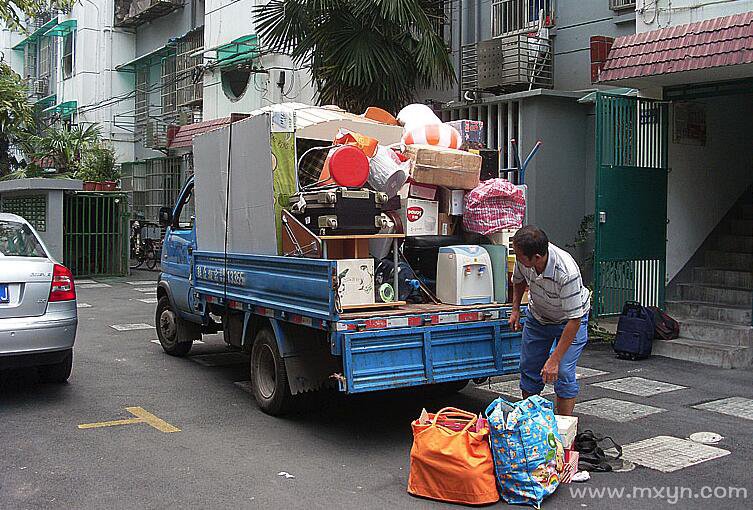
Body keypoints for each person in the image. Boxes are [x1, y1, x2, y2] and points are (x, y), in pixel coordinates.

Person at [508, 226, 590, 416]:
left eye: (520, 256)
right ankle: (531, 423)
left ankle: (564, 429)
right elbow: (518, 281)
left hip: (568, 321)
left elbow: (574, 320)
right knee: (529, 368)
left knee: (562, 372)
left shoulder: (566, 272)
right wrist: (515, 310)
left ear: (537, 257)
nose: (517, 259)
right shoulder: (525, 260)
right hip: (538, 317)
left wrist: (554, 360)